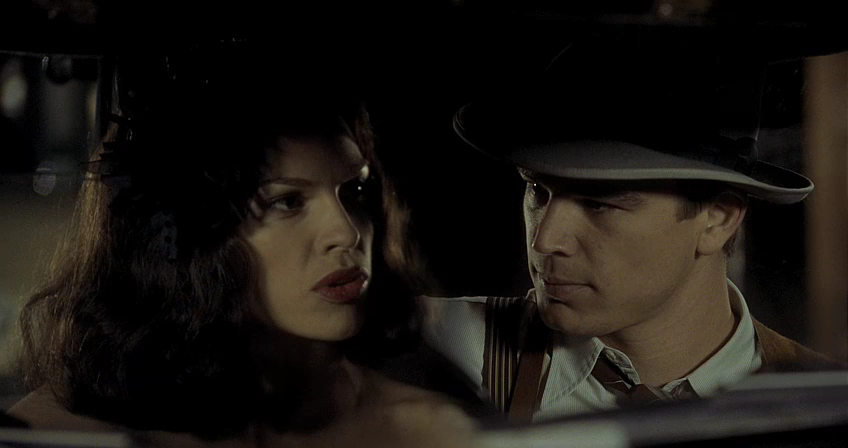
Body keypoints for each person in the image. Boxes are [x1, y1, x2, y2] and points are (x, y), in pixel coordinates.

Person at [7, 44, 476, 446]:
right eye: (287, 202)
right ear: (191, 236)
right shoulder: (57, 431)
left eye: (354, 192)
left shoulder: (430, 424)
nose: (348, 233)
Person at [422, 34, 843, 422]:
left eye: (599, 203)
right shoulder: (436, 352)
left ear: (717, 218)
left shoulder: (822, 405)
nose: (545, 239)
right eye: (538, 190)